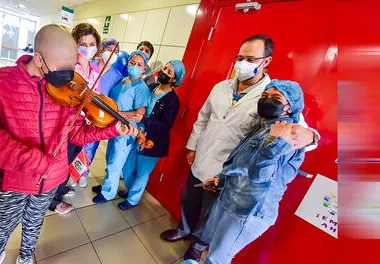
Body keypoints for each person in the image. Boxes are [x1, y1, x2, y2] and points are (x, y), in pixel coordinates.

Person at [0, 24, 136, 264]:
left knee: (34, 223)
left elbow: (77, 135)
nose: (69, 74)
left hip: (50, 181)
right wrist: (36, 161)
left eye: (71, 66)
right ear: (39, 58)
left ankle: (25, 257)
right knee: (3, 225)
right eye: (61, 67)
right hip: (10, 181)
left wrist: (111, 129)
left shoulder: (67, 91)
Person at [159, 34, 320, 262]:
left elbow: (298, 128)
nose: (242, 64)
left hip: (230, 170)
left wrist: (313, 136)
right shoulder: (221, 87)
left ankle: (197, 245)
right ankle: (183, 229)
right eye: (240, 57)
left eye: (250, 59)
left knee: (210, 213)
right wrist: (192, 147)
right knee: (189, 198)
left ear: (266, 61)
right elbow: (203, 119)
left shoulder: (272, 95)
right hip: (203, 156)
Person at [197, 80, 308, 264]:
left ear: (289, 107)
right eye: (264, 96)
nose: (267, 100)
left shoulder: (290, 135)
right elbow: (243, 163)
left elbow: (260, 176)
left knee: (218, 258)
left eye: (276, 98)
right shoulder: (264, 126)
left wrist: (275, 141)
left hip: (249, 211)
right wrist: (222, 179)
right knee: (213, 250)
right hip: (232, 198)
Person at [116, 60, 186, 210]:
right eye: (165, 68)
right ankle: (129, 189)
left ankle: (133, 199)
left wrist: (144, 120)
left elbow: (166, 126)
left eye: (169, 72)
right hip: (137, 134)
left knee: (142, 172)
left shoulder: (173, 100)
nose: (164, 72)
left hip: (153, 142)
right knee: (128, 166)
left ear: (174, 79)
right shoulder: (152, 87)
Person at [91, 50, 151, 204]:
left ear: (144, 68)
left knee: (115, 162)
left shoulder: (141, 88)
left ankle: (108, 193)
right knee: (109, 156)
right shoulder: (124, 80)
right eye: (132, 62)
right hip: (114, 127)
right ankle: (107, 184)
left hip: (126, 131)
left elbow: (139, 115)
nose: (135, 66)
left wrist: (118, 114)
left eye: (139, 64)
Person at [70, 23, 103, 188]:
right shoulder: (70, 66)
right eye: (83, 44)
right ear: (75, 44)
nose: (88, 48)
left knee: (79, 152)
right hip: (70, 121)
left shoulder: (95, 70)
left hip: (86, 121)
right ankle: (56, 190)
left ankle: (73, 178)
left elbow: (97, 95)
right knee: (66, 154)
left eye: (91, 44)